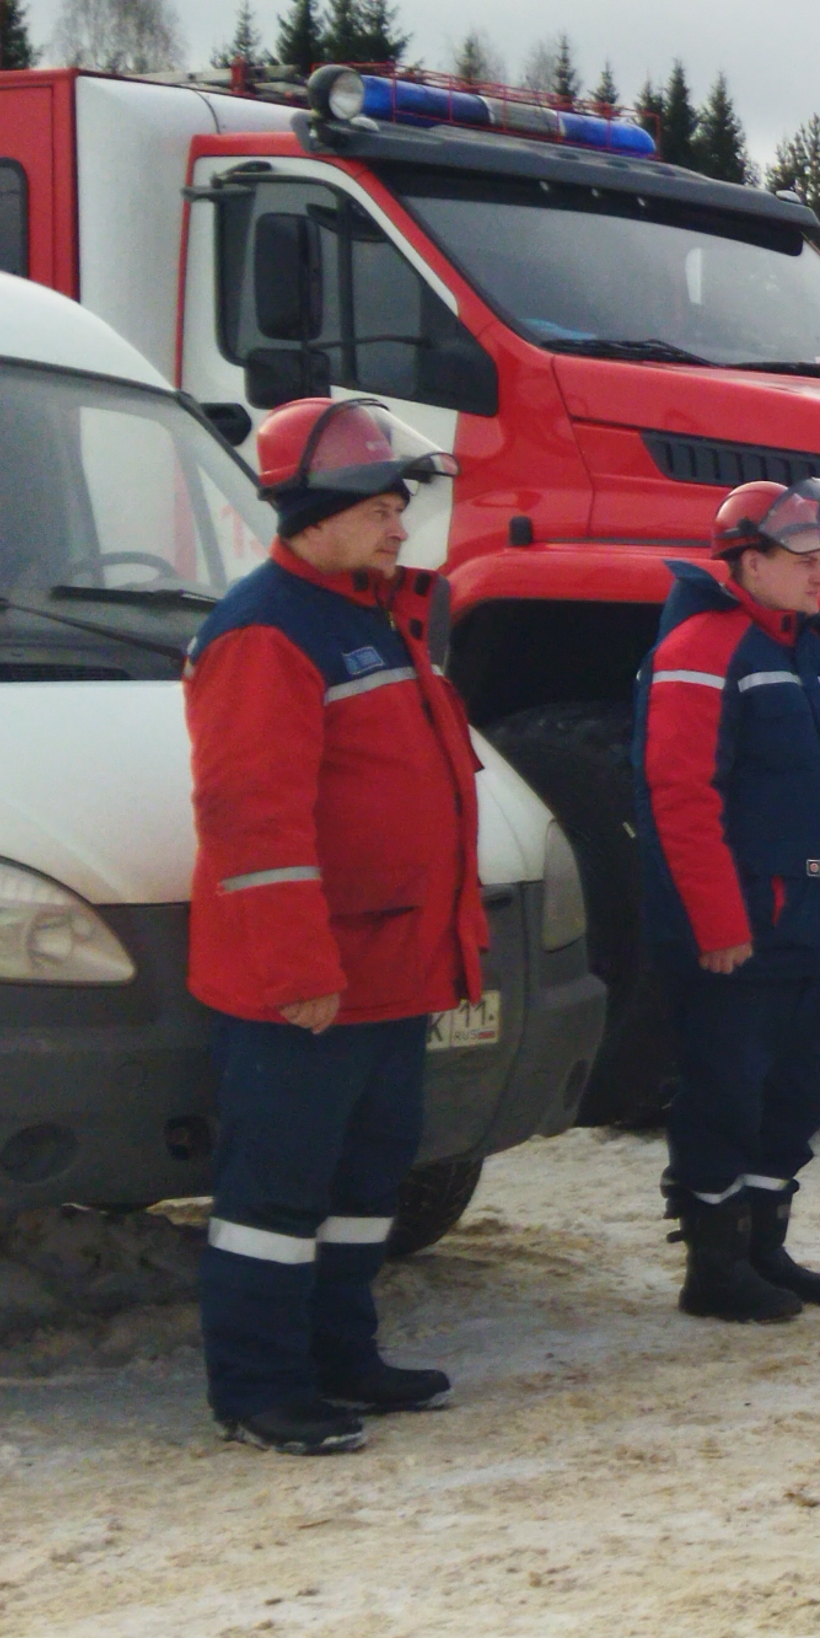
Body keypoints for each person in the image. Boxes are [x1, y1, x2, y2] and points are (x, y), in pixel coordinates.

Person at [181, 399, 483, 1454]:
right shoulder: (266, 631)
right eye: (383, 507)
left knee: (363, 1185)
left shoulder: (370, 614)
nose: (402, 526)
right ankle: (260, 1389)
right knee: (277, 1194)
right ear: (318, 511)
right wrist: (296, 967)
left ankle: (340, 1355)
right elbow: (249, 819)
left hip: (390, 970)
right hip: (311, 983)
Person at [636, 473, 820, 1319]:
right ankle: (713, 1268)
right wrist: (716, 923)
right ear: (746, 560)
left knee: (792, 1096)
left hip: (811, 926)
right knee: (726, 1095)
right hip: (743, 932)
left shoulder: (816, 649)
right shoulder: (701, 649)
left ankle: (763, 1247)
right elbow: (678, 797)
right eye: (804, 557)